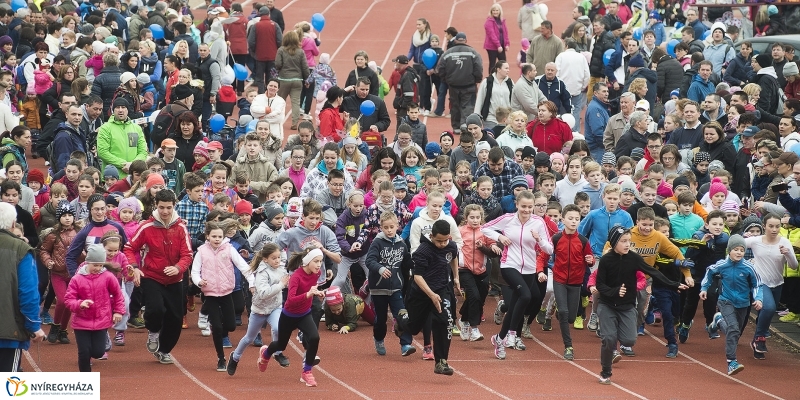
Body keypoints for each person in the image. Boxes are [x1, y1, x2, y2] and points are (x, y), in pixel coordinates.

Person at [595, 226, 687, 384]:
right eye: (623, 241)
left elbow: (653, 272)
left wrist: (674, 284)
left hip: (627, 306)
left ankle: (612, 332)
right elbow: (600, 285)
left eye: (629, 241)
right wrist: (615, 291)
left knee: (629, 340)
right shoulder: (606, 260)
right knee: (609, 339)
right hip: (607, 304)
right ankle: (606, 371)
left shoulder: (634, 258)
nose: (627, 245)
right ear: (613, 242)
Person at [125, 189, 193, 365]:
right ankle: (153, 331)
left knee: (176, 318)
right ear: (156, 205)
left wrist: (178, 268)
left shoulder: (181, 228)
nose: (165, 211)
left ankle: (164, 350)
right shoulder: (146, 227)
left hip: (175, 279)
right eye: (161, 207)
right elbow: (129, 248)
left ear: (174, 207)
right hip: (152, 276)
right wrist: (135, 268)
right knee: (155, 309)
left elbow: (188, 254)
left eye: (168, 208)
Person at [482, 191, 553, 359]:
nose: (527, 210)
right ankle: (513, 333)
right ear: (517, 205)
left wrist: (539, 240)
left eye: (530, 207)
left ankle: (499, 339)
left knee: (515, 304)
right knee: (526, 295)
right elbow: (485, 228)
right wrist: (499, 236)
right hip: (509, 264)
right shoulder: (508, 219)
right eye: (523, 207)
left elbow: (549, 249)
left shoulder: (538, 222)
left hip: (529, 268)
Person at [396, 219, 460, 375]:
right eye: (439, 241)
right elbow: (417, 277)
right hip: (421, 292)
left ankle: (441, 362)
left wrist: (456, 277)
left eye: (445, 240)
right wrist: (431, 295)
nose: (442, 244)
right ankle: (402, 319)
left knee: (445, 321)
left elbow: (453, 257)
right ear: (431, 236)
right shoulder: (422, 251)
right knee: (413, 328)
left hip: (442, 289)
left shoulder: (450, 246)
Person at [191, 220, 254, 371]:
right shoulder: (201, 251)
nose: (217, 239)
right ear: (208, 236)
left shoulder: (229, 249)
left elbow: (243, 266)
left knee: (231, 326)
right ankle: (221, 358)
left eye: (220, 236)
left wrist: (252, 282)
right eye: (214, 236)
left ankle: (213, 321)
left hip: (227, 292)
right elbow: (194, 271)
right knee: (218, 328)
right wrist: (199, 281)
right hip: (211, 294)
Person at [257, 248, 324, 387]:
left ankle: (306, 372)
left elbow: (310, 290)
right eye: (316, 261)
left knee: (314, 337)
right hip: (289, 315)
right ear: (307, 261)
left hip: (305, 314)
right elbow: (291, 300)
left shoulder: (317, 274)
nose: (319, 265)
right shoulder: (296, 277)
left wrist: (317, 293)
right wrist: (309, 294)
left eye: (321, 261)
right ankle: (265, 353)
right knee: (281, 345)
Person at [700, 234, 763, 376]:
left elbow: (757, 283)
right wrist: (704, 288)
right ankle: (731, 362)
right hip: (725, 300)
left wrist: (758, 298)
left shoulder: (748, 267)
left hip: (743, 303)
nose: (739, 252)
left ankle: (718, 320)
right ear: (729, 250)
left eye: (742, 250)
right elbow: (709, 271)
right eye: (736, 249)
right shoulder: (722, 265)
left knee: (735, 332)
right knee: (733, 329)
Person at [228, 243, 290, 375]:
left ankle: (278, 353)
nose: (278, 260)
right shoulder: (262, 273)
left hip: (275, 307)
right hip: (260, 310)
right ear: (265, 259)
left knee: (278, 328)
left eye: (279, 257)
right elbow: (263, 293)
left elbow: (289, 278)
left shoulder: (281, 269)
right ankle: (235, 357)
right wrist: (281, 285)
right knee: (249, 338)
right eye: (274, 258)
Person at [64, 243, 125, 372]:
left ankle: (103, 342)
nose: (98, 268)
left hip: (101, 320)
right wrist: (79, 304)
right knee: (84, 353)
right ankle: (86, 380)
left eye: (100, 265)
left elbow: (118, 294)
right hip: (81, 322)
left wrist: (118, 311)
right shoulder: (77, 279)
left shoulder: (108, 277)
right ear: (87, 262)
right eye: (95, 265)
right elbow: (69, 300)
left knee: (98, 352)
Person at [0, 202, 45, 372]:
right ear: (13, 224)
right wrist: (34, 325)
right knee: (8, 388)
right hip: (8, 332)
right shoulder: (20, 248)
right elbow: (28, 292)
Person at [437, 32, 483, 133]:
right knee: (468, 105)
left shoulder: (448, 53)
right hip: (469, 85)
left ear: (456, 40)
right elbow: (478, 68)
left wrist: (446, 80)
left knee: (454, 105)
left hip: (453, 85)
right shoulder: (473, 53)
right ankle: (465, 124)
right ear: (466, 40)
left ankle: (456, 127)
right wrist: (477, 80)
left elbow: (440, 69)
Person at [96, 98, 147, 179]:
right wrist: (123, 164)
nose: (120, 110)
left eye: (123, 107)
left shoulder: (136, 128)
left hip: (133, 178)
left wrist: (133, 165)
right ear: (113, 110)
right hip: (112, 179)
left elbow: (143, 151)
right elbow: (102, 152)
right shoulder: (105, 128)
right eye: (117, 107)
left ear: (127, 110)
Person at [248, 6, 283, 93]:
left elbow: (251, 41)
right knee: (271, 77)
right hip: (272, 57)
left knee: (260, 78)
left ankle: (261, 94)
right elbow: (280, 40)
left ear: (259, 14)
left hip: (260, 57)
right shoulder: (275, 25)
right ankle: (270, 93)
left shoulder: (255, 26)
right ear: (269, 14)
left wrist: (254, 52)